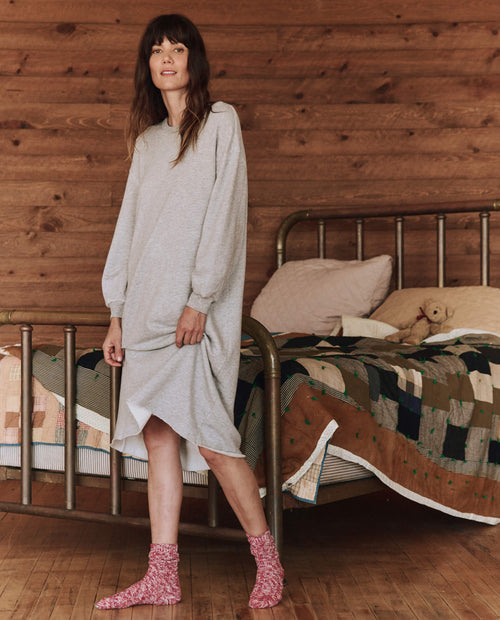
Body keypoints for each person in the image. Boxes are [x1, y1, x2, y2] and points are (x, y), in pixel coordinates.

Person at [95, 14, 284, 611]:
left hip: (191, 315)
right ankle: (162, 575)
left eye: (177, 48)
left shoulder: (221, 121)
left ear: (193, 60)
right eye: (157, 50)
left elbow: (226, 215)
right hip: (144, 312)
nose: (166, 58)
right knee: (158, 438)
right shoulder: (148, 142)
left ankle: (268, 562)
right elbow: (129, 229)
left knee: (213, 441)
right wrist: (117, 312)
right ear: (148, 66)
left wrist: (200, 300)